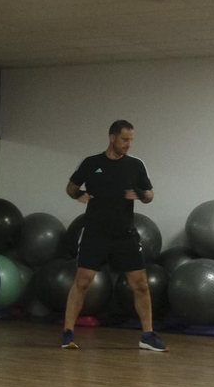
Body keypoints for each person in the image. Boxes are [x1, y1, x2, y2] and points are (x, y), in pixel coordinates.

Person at [62, 120, 165, 352]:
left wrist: (140, 194)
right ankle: (67, 333)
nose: (128, 144)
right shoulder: (91, 163)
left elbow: (150, 195)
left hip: (125, 235)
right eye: (124, 139)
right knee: (82, 282)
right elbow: (70, 187)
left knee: (140, 284)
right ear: (112, 138)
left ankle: (148, 335)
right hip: (95, 233)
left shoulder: (136, 165)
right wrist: (79, 194)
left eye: (131, 140)